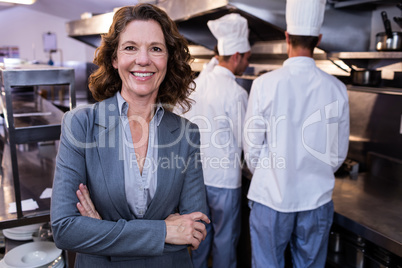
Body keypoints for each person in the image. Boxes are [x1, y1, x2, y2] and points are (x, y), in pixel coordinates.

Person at [50, 4, 210, 267]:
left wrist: (101, 232)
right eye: (130, 47)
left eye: (156, 48)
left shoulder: (186, 133)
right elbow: (65, 229)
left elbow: (194, 231)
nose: (144, 60)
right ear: (114, 59)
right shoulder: (80, 125)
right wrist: (164, 231)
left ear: (168, 59)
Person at [243, 0, 350, 267]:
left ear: (287, 37)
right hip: (315, 200)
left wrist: (272, 175)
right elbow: (337, 155)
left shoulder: (264, 84)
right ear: (319, 39)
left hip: (270, 197)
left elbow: (252, 147)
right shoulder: (336, 88)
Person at [180, 13, 251, 268]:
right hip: (224, 181)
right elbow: (246, 141)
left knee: (199, 239)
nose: (247, 61)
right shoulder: (236, 93)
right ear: (236, 56)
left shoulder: (198, 84)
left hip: (197, 179)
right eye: (247, 56)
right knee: (224, 240)